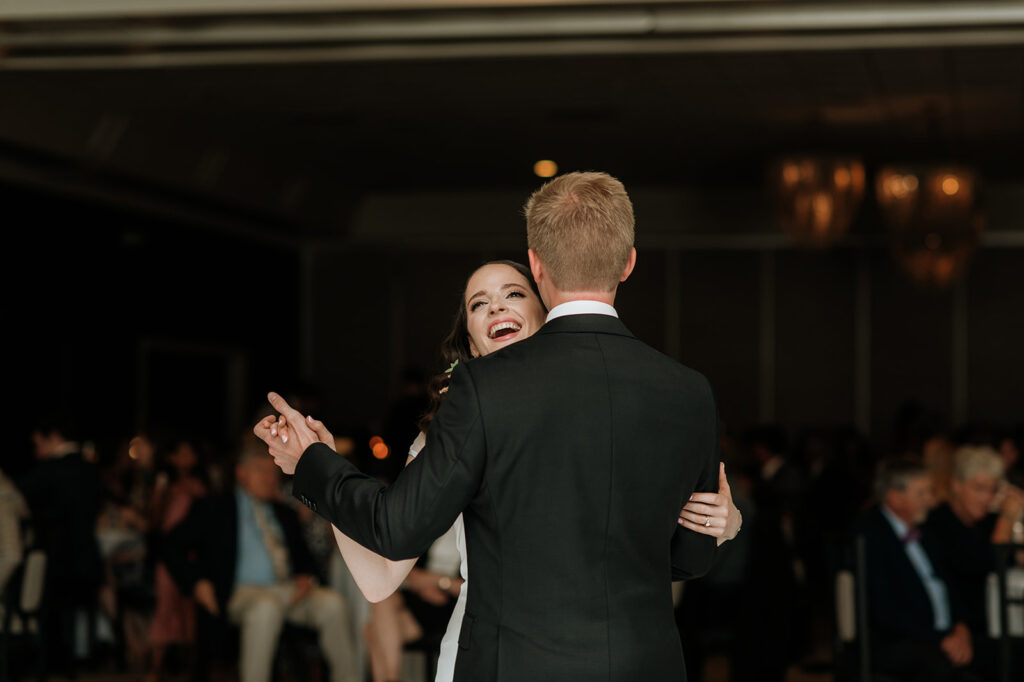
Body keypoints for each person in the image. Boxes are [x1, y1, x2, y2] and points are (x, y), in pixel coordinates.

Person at [257, 171, 739, 681]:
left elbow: (395, 528)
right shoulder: (689, 391)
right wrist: (721, 526)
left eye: (512, 294)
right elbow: (689, 557)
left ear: (539, 272)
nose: (498, 309)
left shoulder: (483, 390)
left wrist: (314, 465)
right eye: (480, 303)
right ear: (629, 261)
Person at [162, 446, 359, 682]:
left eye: (272, 472)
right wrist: (196, 583)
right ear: (241, 473)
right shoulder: (215, 507)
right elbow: (169, 545)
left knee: (333, 605)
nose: (269, 478)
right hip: (240, 593)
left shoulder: (284, 512)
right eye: (260, 471)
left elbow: (304, 557)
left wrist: (306, 575)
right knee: (266, 608)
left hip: (288, 592)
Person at [856, 459, 971, 682]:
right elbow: (883, 611)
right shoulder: (869, 535)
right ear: (895, 497)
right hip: (899, 640)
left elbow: (950, 584)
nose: (931, 500)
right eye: (922, 494)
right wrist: (939, 639)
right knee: (939, 667)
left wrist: (961, 627)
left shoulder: (927, 532)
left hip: (942, 634)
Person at [925, 445, 1024, 680]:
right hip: (963, 626)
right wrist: (1008, 518)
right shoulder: (939, 523)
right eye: (979, 488)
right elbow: (984, 561)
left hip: (1002, 623)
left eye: (992, 490)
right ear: (956, 485)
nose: (986, 498)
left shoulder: (988, 521)